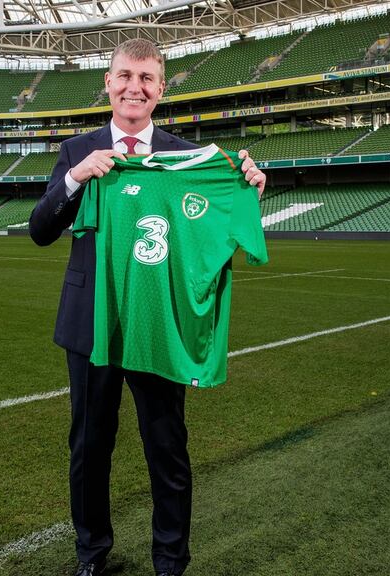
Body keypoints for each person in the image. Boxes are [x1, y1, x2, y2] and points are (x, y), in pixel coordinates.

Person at [28, 38, 267, 576]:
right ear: (108, 84)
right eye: (124, 76)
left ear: (160, 89)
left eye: (146, 78)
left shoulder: (187, 157)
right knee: (90, 447)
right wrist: (75, 177)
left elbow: (216, 231)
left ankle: (170, 560)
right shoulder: (76, 150)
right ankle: (91, 554)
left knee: (167, 446)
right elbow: (41, 230)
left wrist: (247, 192)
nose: (134, 87)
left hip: (159, 322)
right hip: (92, 324)